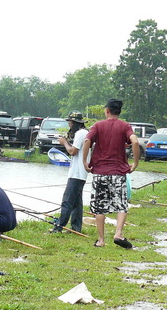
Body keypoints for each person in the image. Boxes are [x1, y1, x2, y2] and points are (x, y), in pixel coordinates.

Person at [82, 99, 139, 249]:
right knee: (121, 204)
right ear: (119, 111)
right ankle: (118, 234)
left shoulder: (98, 126)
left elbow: (87, 140)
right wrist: (136, 163)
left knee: (99, 207)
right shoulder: (125, 126)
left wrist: (84, 161)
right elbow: (134, 141)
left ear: (107, 110)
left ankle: (101, 240)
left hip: (100, 172)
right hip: (118, 172)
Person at [51, 111, 89, 233]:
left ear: (75, 123)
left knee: (67, 201)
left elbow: (73, 151)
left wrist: (64, 143)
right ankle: (76, 228)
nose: (69, 125)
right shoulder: (84, 133)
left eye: (70, 123)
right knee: (77, 203)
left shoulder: (80, 133)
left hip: (77, 174)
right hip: (80, 173)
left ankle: (58, 227)